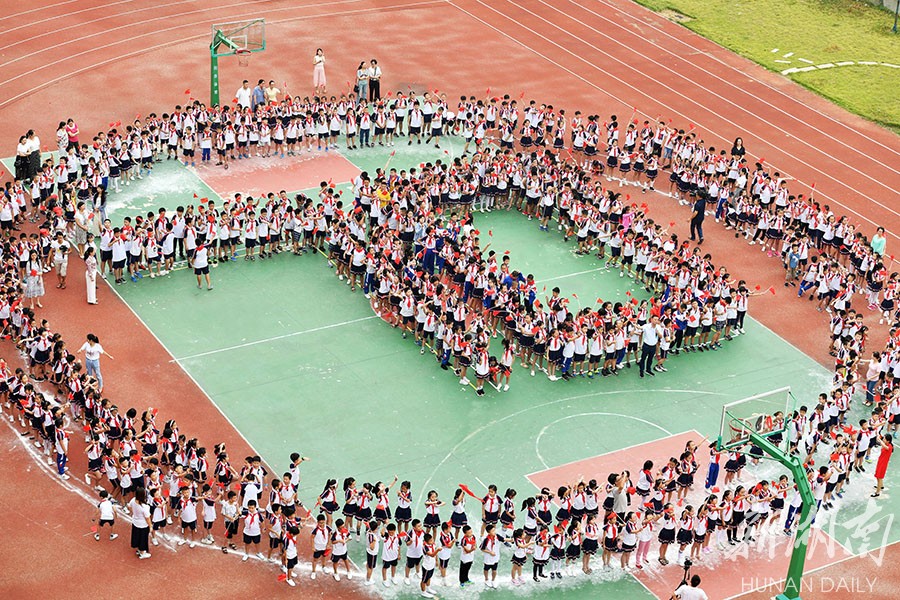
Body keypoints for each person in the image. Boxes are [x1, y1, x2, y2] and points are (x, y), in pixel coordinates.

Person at [129, 487, 152, 559]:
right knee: (143, 538)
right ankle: (142, 553)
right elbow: (147, 518)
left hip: (135, 522)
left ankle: (139, 549)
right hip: (143, 525)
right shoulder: (144, 507)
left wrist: (134, 513)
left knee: (137, 536)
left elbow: (129, 506)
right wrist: (150, 526)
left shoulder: (133, 500)